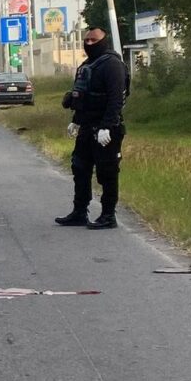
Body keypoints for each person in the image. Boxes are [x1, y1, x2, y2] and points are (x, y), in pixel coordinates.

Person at [55, 26, 130, 229]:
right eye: (86, 40)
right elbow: (83, 96)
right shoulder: (87, 65)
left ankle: (108, 215)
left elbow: (116, 99)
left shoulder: (112, 65)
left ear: (104, 40)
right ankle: (80, 212)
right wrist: (76, 120)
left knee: (107, 172)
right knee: (80, 168)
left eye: (93, 40)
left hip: (106, 130)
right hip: (86, 127)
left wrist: (107, 126)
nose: (89, 44)